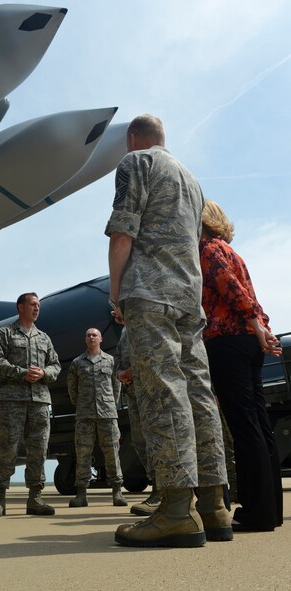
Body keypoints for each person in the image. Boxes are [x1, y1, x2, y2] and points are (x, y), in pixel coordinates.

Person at [105, 114, 232, 547]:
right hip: (188, 299)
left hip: (151, 294)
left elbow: (123, 231)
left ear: (133, 138)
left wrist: (117, 292)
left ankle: (176, 511)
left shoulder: (137, 162)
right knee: (198, 395)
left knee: (161, 391)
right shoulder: (193, 181)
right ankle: (214, 508)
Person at [200, 199, 283, 531]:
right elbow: (249, 294)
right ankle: (269, 510)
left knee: (244, 426)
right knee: (259, 424)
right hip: (247, 341)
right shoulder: (231, 252)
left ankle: (255, 513)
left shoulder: (207, 249)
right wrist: (262, 328)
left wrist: (257, 325)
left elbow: (231, 290)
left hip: (227, 341)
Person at [0, 292, 61, 517]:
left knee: (39, 450)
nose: (37, 308)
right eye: (33, 304)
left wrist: (44, 373)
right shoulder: (6, 333)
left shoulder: (44, 338)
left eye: (39, 305)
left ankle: (35, 498)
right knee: (7, 447)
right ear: (20, 307)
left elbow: (55, 366)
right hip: (12, 401)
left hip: (39, 401)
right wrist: (21, 373)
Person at [67, 327, 128, 508]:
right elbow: (72, 389)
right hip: (84, 415)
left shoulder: (110, 361)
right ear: (85, 340)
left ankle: (117, 492)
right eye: (88, 335)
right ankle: (81, 494)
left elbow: (116, 388)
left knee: (112, 453)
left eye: (95, 335)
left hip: (107, 414)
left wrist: (110, 405)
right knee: (83, 453)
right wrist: (82, 405)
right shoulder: (77, 363)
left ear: (101, 339)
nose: (91, 337)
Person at [114, 325, 161, 516]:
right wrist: (119, 373)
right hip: (132, 394)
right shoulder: (125, 331)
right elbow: (118, 357)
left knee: (156, 441)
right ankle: (157, 487)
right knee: (140, 442)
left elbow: (159, 350)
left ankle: (162, 491)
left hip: (151, 392)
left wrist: (136, 369)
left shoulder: (148, 320)